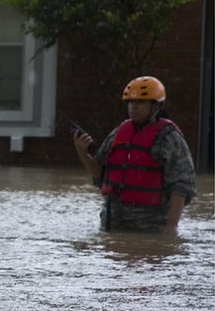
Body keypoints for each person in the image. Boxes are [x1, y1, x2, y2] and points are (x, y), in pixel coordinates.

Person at [72, 76, 196, 235]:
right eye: (131, 102)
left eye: (141, 103)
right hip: (113, 224)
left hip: (152, 226)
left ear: (156, 106)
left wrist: (172, 226)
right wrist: (82, 153)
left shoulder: (169, 138)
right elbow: (100, 174)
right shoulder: (118, 133)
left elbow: (181, 186)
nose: (133, 107)